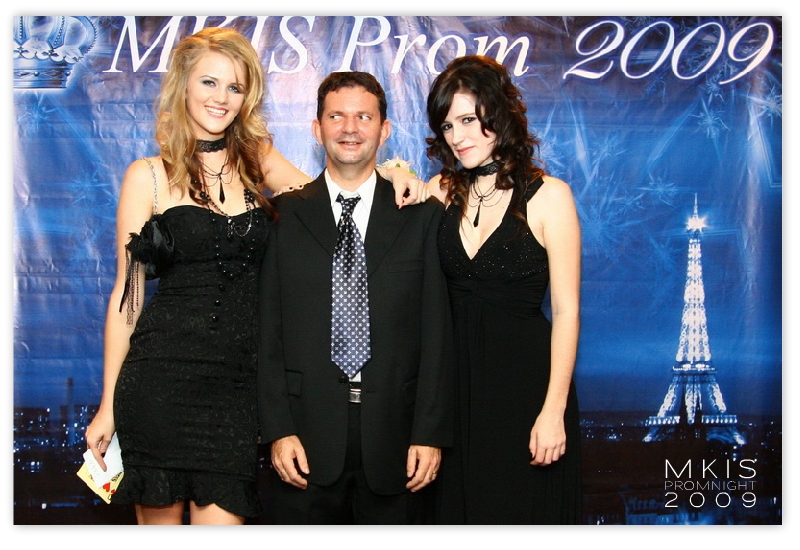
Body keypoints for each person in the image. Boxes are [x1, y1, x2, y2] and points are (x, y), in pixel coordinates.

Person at [83, 27, 427, 525]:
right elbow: (127, 300)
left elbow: (334, 195)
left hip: (236, 390)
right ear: (183, 85)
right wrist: (108, 406)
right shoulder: (149, 176)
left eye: (235, 87)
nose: (221, 98)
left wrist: (393, 173)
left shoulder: (256, 160)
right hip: (160, 381)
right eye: (209, 82)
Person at [257, 71, 455, 524]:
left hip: (397, 438)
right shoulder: (281, 217)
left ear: (384, 130)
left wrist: (429, 432)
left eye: (364, 117)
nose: (350, 128)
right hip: (304, 439)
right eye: (337, 116)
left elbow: (437, 333)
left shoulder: (422, 216)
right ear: (317, 128)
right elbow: (267, 333)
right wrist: (278, 430)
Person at [425, 55, 583, 524]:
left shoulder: (550, 195)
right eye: (447, 125)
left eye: (468, 120)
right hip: (453, 396)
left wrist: (553, 411)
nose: (458, 136)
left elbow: (568, 312)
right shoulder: (439, 191)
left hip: (526, 393)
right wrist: (396, 176)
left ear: (499, 113)